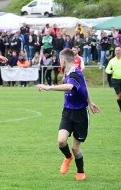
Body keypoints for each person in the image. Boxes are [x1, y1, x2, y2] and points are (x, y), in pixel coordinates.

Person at [36, 49, 100, 181]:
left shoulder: (76, 73)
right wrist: (91, 101)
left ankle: (80, 172)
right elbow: (84, 87)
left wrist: (49, 87)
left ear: (63, 60)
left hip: (80, 114)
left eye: (60, 60)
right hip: (67, 112)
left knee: (75, 147)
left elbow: (70, 87)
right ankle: (67, 157)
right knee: (61, 141)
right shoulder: (69, 72)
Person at [106, 47, 121, 112]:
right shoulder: (112, 61)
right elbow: (107, 69)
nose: (117, 52)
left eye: (119, 50)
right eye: (116, 50)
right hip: (115, 80)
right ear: (115, 52)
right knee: (119, 95)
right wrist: (110, 71)